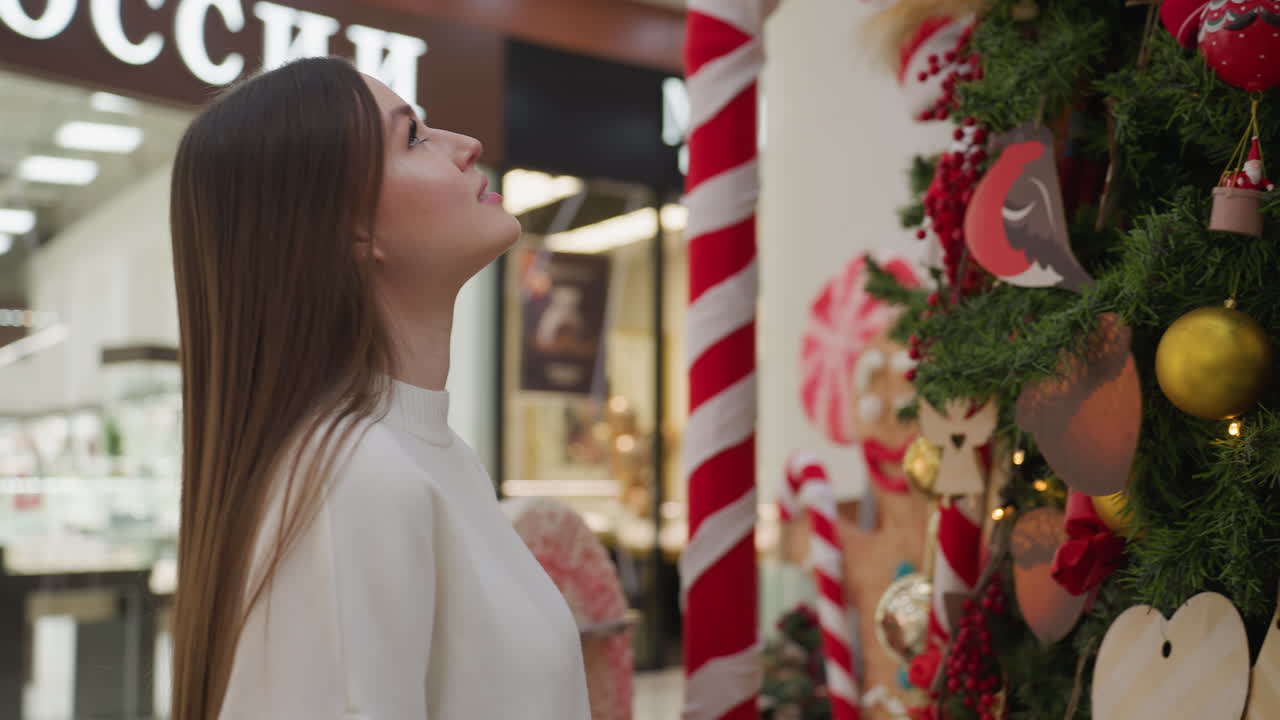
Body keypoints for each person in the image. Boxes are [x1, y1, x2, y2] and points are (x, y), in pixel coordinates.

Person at [167, 57, 591, 720]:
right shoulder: (354, 477)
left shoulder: (428, 453)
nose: (466, 145)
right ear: (350, 228)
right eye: (414, 138)